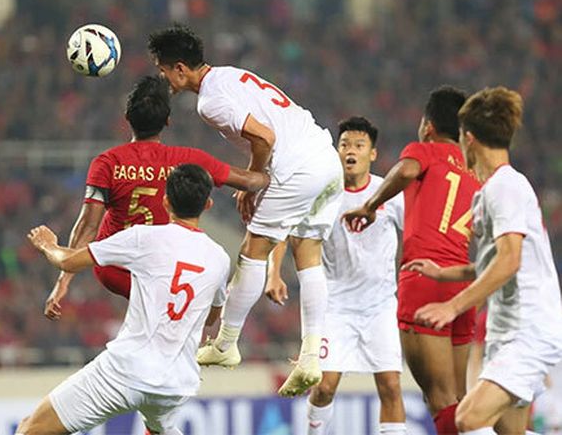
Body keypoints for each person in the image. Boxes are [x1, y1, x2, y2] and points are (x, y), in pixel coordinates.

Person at [149, 24, 343, 397]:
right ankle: (310, 357)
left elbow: (265, 137)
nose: (163, 78)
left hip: (295, 168)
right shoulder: (230, 74)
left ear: (179, 68)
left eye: (162, 69)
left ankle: (225, 343)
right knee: (309, 253)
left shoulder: (209, 102)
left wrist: (254, 180)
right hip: (325, 159)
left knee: (253, 251)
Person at [19, 164, 230, 435]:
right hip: (176, 384)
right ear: (208, 205)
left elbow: (70, 260)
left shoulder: (145, 237)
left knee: (30, 429)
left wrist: (47, 244)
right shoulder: (220, 258)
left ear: (165, 202)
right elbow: (212, 317)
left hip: (127, 371)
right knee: (158, 430)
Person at [44, 75, 268, 319]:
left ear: (127, 118)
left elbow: (88, 225)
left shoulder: (107, 163)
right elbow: (250, 180)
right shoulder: (190, 159)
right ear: (168, 121)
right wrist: (275, 175)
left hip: (113, 271)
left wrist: (63, 282)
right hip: (161, 274)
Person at [407, 87, 562, 435]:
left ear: (469, 138)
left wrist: (453, 306)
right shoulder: (492, 189)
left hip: (528, 329)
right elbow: (494, 262)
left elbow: (510, 261)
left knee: (468, 419)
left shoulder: (504, 187)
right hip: (507, 331)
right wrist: (444, 274)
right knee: (509, 431)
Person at [343, 86, 478, 434]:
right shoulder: (475, 169)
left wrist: (370, 205)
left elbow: (404, 172)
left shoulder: (424, 151)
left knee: (440, 399)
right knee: (460, 397)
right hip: (462, 282)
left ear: (428, 124)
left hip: (425, 278)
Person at [266, 117, 407, 435]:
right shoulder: (323, 194)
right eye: (344, 145)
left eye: (359, 145)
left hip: (380, 306)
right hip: (335, 306)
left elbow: (416, 235)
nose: (350, 151)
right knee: (325, 385)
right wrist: (274, 273)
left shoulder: (390, 194)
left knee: (390, 385)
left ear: (372, 154)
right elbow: (284, 228)